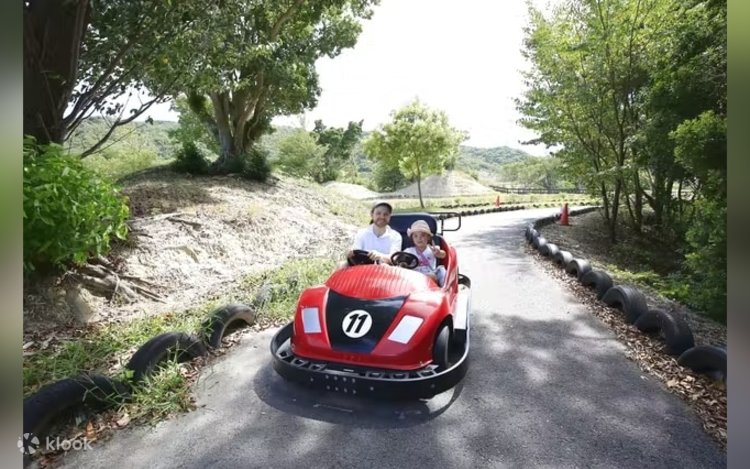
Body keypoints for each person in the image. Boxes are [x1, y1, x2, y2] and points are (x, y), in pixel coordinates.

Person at [344, 201, 402, 266]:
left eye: (385, 214)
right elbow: (355, 252)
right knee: (342, 265)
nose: (382, 217)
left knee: (384, 265)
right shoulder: (361, 233)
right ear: (372, 215)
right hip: (363, 267)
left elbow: (394, 258)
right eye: (378, 213)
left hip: (384, 268)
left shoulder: (396, 236)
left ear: (389, 216)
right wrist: (350, 254)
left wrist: (380, 256)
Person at [403, 219, 447, 286]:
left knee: (441, 270)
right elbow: (400, 259)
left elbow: (443, 255)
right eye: (415, 236)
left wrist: (438, 253)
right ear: (412, 239)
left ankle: (444, 287)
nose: (419, 238)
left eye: (422, 235)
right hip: (414, 275)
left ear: (428, 237)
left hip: (430, 273)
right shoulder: (409, 251)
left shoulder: (433, 249)